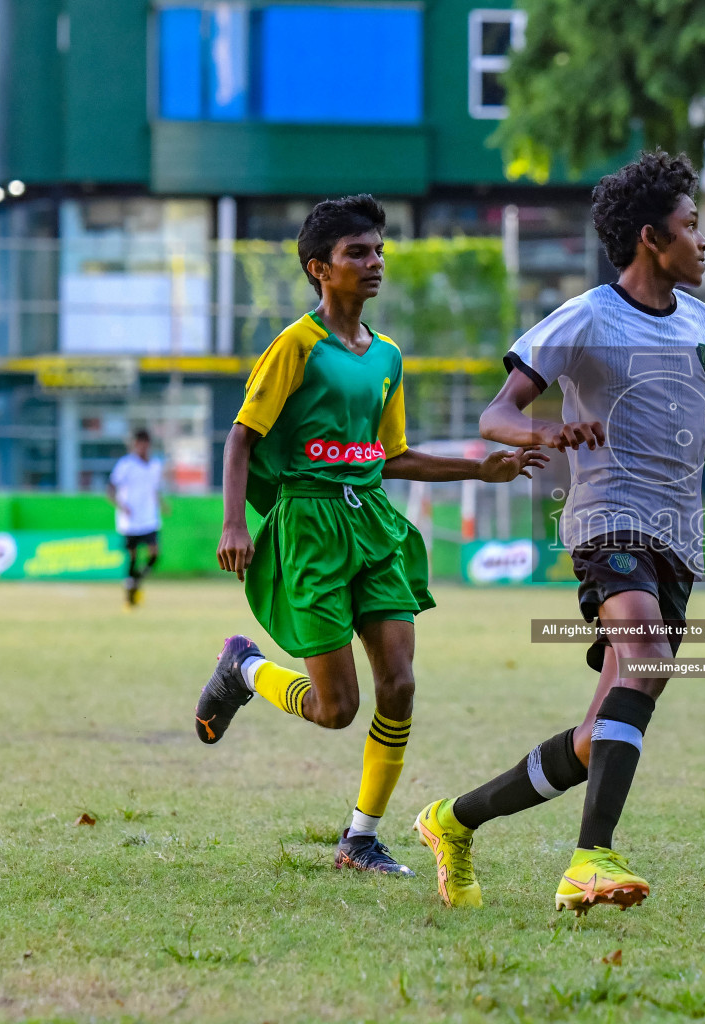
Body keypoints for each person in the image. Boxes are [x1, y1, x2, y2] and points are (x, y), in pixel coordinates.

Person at [412, 151, 705, 915]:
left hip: (677, 538)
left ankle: (452, 821)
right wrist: (547, 431)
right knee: (645, 654)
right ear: (652, 238)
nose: (704, 241)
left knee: (596, 737)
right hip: (607, 520)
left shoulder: (703, 322)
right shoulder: (586, 316)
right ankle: (590, 860)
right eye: (691, 226)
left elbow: (697, 418)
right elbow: (496, 414)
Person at [190, 195, 546, 876]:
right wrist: (236, 522)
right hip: (309, 527)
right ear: (321, 268)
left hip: (374, 522)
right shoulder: (296, 345)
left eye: (379, 250)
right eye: (359, 252)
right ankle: (242, 670)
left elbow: (396, 456)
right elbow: (240, 438)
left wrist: (482, 467)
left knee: (401, 685)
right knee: (335, 709)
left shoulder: (387, 356)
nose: (375, 262)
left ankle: (360, 839)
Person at [107, 428, 166, 608]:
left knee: (154, 554)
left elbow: (154, 489)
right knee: (132, 557)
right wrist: (122, 506)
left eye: (145, 443)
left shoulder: (155, 465)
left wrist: (162, 503)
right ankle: (129, 594)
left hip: (149, 518)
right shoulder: (125, 465)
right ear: (134, 445)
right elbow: (111, 489)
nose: (142, 447)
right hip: (131, 521)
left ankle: (135, 582)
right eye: (139, 443)